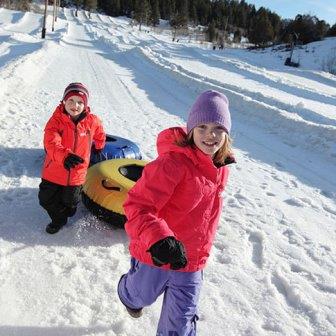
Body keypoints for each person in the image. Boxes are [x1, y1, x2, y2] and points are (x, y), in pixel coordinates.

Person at [118, 90, 235, 335]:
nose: (209, 135)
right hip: (157, 253)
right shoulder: (172, 164)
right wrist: (159, 238)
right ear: (190, 129)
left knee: (179, 326)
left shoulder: (221, 166)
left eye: (218, 128)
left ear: (227, 133)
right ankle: (127, 293)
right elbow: (137, 205)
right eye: (202, 126)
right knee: (140, 295)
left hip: (192, 261)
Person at [38, 82, 106, 234]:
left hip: (77, 173)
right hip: (54, 170)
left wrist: (99, 145)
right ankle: (58, 220)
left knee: (71, 201)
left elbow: (100, 133)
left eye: (80, 102)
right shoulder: (56, 120)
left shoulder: (92, 121)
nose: (75, 105)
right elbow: (51, 142)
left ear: (85, 104)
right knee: (45, 199)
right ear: (63, 101)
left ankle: (69, 208)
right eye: (71, 101)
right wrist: (64, 156)